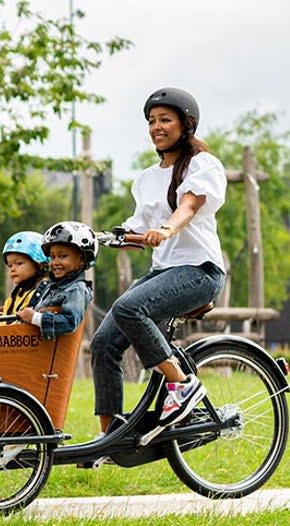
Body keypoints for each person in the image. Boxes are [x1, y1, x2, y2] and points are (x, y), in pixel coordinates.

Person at [90, 86, 228, 438]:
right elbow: (138, 225)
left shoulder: (202, 165)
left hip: (200, 270)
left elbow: (189, 206)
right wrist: (113, 235)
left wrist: (167, 229)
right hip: (163, 272)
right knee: (103, 343)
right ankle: (110, 438)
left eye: (165, 119)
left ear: (186, 124)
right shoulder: (146, 178)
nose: (156, 126)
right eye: (152, 121)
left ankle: (181, 385)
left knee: (129, 308)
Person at [15, 221, 95, 340]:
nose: (55, 262)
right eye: (52, 257)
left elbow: (69, 322)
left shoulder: (76, 289)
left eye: (62, 256)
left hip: (47, 352)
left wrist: (36, 318)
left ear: (81, 260)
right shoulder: (51, 287)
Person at [0, 231, 49, 317]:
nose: (12, 269)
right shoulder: (15, 295)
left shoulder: (42, 293)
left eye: (19, 263)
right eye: (10, 265)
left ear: (39, 264)